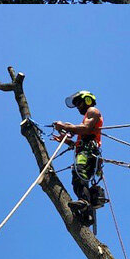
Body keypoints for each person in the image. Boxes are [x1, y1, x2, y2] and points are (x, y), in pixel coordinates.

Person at [52, 90, 106, 223]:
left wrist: (65, 126)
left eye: (79, 103)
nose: (78, 107)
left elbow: (86, 128)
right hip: (84, 150)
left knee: (78, 174)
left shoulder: (93, 111)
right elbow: (80, 138)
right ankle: (87, 214)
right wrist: (66, 140)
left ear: (88, 100)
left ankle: (84, 203)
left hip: (88, 151)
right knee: (78, 178)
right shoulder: (86, 117)